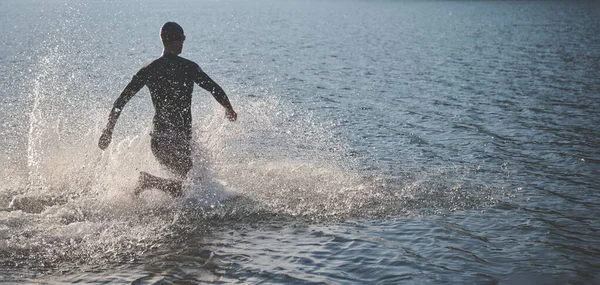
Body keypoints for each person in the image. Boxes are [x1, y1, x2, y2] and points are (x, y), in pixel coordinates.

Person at [98, 22, 237, 197]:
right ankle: (148, 181)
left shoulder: (149, 69)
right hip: (174, 140)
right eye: (183, 38)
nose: (184, 43)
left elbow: (120, 102)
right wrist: (229, 109)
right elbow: (214, 88)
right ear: (174, 40)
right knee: (189, 187)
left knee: (191, 186)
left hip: (160, 140)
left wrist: (108, 130)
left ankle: (160, 197)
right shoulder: (188, 67)